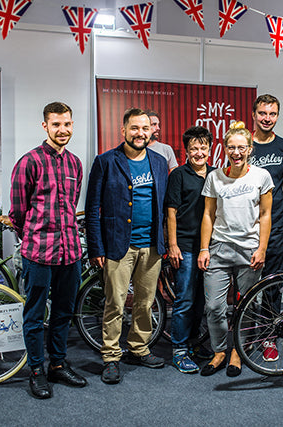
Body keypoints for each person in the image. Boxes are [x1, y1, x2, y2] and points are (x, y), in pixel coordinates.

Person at [9, 101, 87, 399]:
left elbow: (71, 204)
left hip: (69, 252)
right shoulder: (29, 162)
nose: (63, 130)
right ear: (46, 126)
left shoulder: (75, 164)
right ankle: (37, 370)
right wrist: (31, 237)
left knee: (64, 312)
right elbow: (18, 213)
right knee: (34, 314)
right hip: (38, 252)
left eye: (67, 124)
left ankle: (57, 364)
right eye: (56, 124)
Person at [85, 107, 169, 385]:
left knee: (145, 304)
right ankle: (110, 357)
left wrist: (165, 241)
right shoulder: (106, 161)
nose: (140, 133)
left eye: (145, 128)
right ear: (123, 130)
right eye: (134, 128)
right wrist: (96, 248)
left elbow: (164, 205)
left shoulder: (158, 162)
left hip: (152, 247)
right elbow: (93, 207)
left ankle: (139, 348)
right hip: (118, 246)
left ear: (151, 131)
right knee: (115, 304)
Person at [197, 121, 273, 377]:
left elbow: (265, 215)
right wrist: (203, 249)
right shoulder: (214, 177)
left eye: (242, 147)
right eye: (232, 147)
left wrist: (262, 248)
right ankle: (219, 351)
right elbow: (208, 215)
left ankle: (237, 352)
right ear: (225, 148)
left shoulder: (261, 176)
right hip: (219, 248)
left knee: (248, 307)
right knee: (214, 307)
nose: (236, 152)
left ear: (250, 148)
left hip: (249, 250)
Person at [165, 126, 216, 374]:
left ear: (210, 148)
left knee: (200, 301)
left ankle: (194, 344)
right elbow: (171, 212)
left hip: (209, 247)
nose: (199, 152)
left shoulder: (217, 175)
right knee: (184, 299)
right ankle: (179, 350)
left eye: (203, 147)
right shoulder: (179, 175)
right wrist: (172, 245)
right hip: (184, 246)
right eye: (193, 148)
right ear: (186, 150)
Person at [249, 94, 283, 363]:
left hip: (275, 228)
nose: (267, 118)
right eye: (263, 113)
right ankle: (245, 332)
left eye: (272, 114)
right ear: (254, 114)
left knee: (272, 287)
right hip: (245, 230)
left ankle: (269, 336)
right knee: (245, 286)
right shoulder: (242, 144)